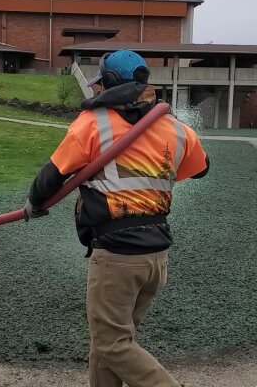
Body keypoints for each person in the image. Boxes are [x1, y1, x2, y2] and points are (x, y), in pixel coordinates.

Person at [24, 50, 209, 387]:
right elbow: (201, 169)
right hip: (155, 257)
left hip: (117, 257)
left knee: (112, 344)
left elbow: (50, 178)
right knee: (108, 343)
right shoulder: (177, 130)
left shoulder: (93, 124)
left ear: (108, 83)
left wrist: (33, 204)